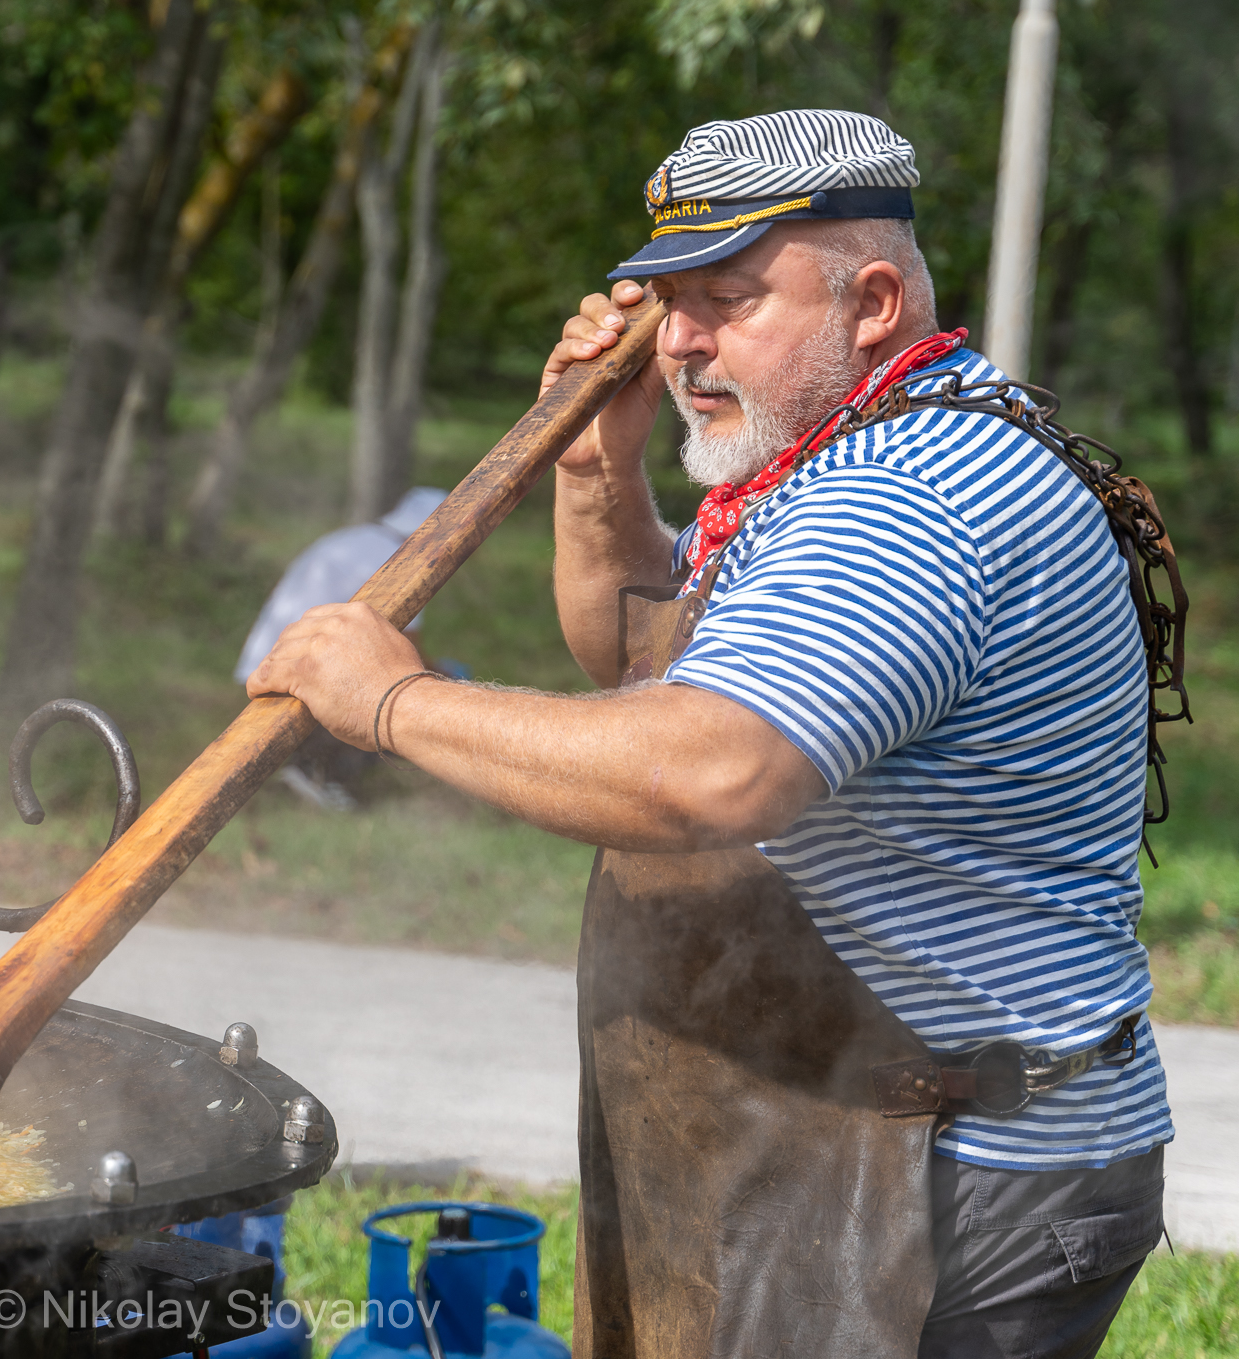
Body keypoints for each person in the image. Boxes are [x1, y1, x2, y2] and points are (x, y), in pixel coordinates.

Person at [248, 109, 1168, 1357]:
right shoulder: (839, 460)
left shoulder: (916, 499)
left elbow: (712, 769)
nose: (678, 342)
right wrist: (594, 468)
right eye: (666, 301)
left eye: (729, 299)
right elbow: (640, 659)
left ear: (874, 302)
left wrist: (391, 704)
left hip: (946, 1179)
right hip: (834, 1140)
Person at [234, 487, 449, 809]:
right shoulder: (399, 562)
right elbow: (408, 646)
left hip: (268, 657)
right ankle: (320, 775)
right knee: (391, 700)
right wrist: (445, 682)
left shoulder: (357, 539)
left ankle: (305, 772)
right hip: (300, 667)